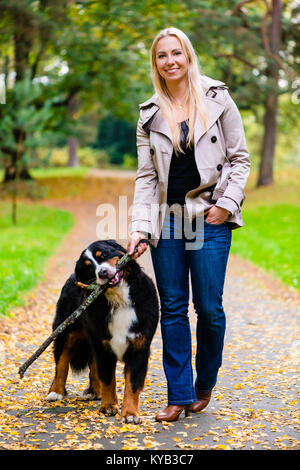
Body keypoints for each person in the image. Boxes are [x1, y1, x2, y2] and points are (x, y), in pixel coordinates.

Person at [127, 27, 250, 422]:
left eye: (176, 53)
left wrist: (226, 205)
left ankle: (204, 383)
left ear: (188, 55)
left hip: (210, 217)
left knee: (209, 309)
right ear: (155, 63)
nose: (170, 61)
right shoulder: (149, 114)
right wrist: (140, 227)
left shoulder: (217, 98)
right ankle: (178, 396)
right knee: (174, 309)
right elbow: (147, 178)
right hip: (168, 223)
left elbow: (239, 158)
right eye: (162, 55)